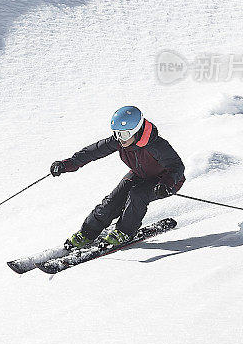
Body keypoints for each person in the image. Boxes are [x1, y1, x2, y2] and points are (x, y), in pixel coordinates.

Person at [50, 105, 185, 248]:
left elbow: (177, 166)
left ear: (137, 130)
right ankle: (87, 233)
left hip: (164, 181)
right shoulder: (120, 141)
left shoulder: (156, 145)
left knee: (137, 195)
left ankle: (124, 232)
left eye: (125, 134)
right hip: (139, 175)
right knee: (113, 199)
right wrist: (66, 164)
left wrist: (166, 183)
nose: (120, 139)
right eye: (117, 133)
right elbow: (92, 152)